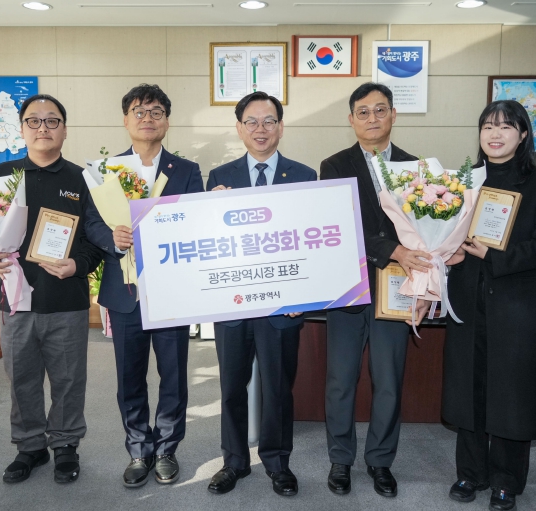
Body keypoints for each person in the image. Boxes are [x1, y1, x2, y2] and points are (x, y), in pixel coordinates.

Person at [0, 94, 103, 484]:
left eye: (52, 120)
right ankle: (30, 447)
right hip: (15, 301)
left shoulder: (83, 179)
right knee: (21, 378)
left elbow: (96, 238)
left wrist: (78, 264)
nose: (43, 127)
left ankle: (65, 446)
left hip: (66, 299)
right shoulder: (1, 175)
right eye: (34, 120)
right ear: (21, 128)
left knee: (68, 378)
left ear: (64, 129)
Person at [443, 100, 536, 511]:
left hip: (516, 307)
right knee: (470, 386)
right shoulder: (464, 182)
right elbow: (445, 234)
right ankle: (470, 473)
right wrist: (447, 251)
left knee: (511, 394)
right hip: (468, 300)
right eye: (487, 127)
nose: (494, 134)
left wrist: (494, 256)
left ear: (523, 134)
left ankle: (506, 481)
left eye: (505, 127)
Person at [84, 84, 204, 488]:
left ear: (167, 121)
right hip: (125, 291)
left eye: (156, 112)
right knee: (129, 377)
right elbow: (91, 221)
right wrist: (111, 238)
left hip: (171, 290)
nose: (147, 118)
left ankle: (167, 449)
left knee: (173, 375)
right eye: (139, 111)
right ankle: (139, 449)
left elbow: (196, 219)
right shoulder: (105, 171)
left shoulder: (186, 170)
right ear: (126, 120)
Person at [319, 82, 432, 498]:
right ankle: (340, 459)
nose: (372, 118)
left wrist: (426, 288)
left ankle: (381, 461)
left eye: (380, 110)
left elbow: (427, 235)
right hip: (348, 287)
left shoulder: (417, 168)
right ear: (351, 119)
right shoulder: (334, 165)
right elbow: (341, 224)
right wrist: (393, 249)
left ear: (393, 115)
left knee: (389, 379)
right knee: (341, 380)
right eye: (363, 112)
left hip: (398, 287)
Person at [205, 91, 316, 497]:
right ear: (239, 128)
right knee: (232, 387)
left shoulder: (304, 176)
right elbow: (209, 240)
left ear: (281, 127)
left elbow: (311, 241)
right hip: (232, 304)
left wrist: (302, 295)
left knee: (277, 388)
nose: (260, 129)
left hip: (282, 306)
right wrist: (209, 208)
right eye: (251, 121)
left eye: (269, 121)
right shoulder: (219, 176)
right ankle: (234, 461)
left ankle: (277, 462)